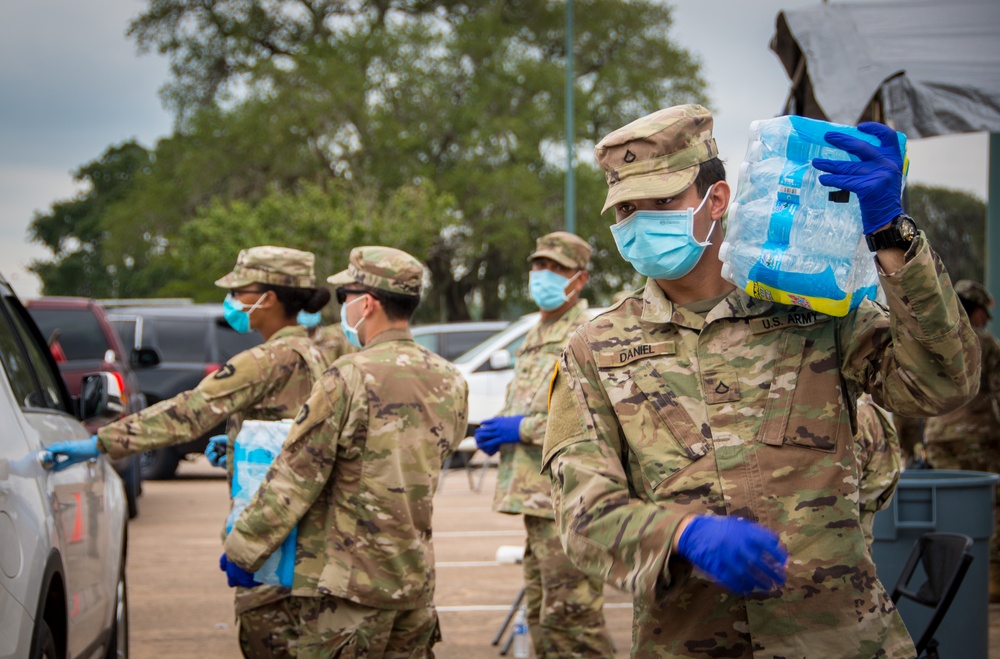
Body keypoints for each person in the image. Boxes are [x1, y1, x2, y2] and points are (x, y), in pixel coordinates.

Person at [541, 104, 980, 658]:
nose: (641, 221)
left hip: (840, 642)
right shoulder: (595, 349)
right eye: (626, 208)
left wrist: (891, 233)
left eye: (661, 202)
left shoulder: (818, 308)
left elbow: (945, 382)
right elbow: (584, 512)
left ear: (716, 199)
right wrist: (681, 534)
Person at [47, 245, 332, 658]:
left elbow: (187, 413)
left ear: (268, 297)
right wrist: (239, 447)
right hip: (311, 543)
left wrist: (100, 442)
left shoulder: (267, 359)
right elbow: (301, 438)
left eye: (240, 290)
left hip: (272, 544)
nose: (233, 300)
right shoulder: (318, 354)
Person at [222, 246, 470, 658]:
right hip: (414, 585)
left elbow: (297, 476)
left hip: (350, 592)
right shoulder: (450, 379)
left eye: (345, 297)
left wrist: (243, 549)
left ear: (367, 303)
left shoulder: (348, 376)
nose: (342, 307)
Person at [475, 231, 613, 658]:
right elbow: (536, 399)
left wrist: (523, 429)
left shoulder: (589, 333)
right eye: (539, 266)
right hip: (538, 502)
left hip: (573, 498)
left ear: (580, 279)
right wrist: (503, 424)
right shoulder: (538, 332)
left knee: (572, 621)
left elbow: (592, 416)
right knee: (542, 617)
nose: (543, 276)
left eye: (557, 269)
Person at [924, 279, 1000, 601]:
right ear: (976, 310)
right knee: (991, 504)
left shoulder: (933, 341)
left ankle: (948, 580)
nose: (986, 321)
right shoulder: (985, 345)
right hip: (980, 439)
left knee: (948, 506)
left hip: (938, 437)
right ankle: (992, 579)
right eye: (985, 313)